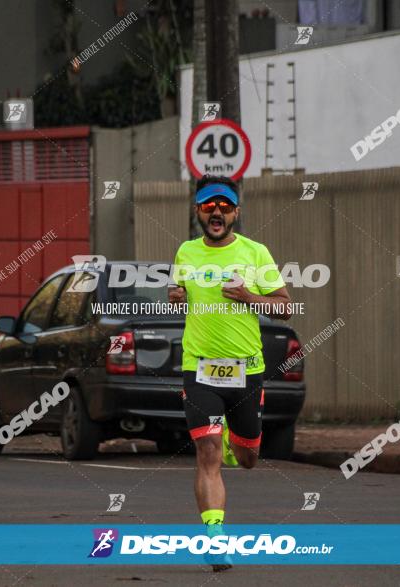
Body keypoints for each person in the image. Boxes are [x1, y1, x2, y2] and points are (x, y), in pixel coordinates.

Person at [168, 175, 292, 571]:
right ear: (199, 213)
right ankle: (215, 539)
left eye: (224, 206)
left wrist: (249, 296)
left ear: (236, 212)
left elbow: (285, 307)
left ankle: (236, 445)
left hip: (246, 370)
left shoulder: (256, 253)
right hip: (199, 368)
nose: (216, 212)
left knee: (249, 457)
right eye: (208, 206)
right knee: (207, 452)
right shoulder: (186, 253)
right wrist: (174, 298)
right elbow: (177, 302)